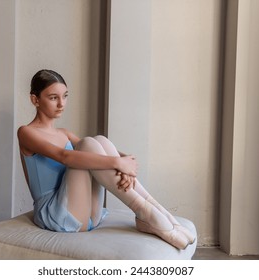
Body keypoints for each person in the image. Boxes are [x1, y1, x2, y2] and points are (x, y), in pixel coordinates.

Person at [17, 69, 195, 249]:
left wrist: (125, 160)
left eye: (65, 96)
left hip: (87, 214)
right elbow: (65, 157)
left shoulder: (63, 133)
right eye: (53, 97)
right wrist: (119, 163)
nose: (61, 104)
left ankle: (155, 209)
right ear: (35, 99)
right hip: (56, 215)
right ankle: (146, 212)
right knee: (87, 145)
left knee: (99, 141)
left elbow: (99, 151)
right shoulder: (26, 132)